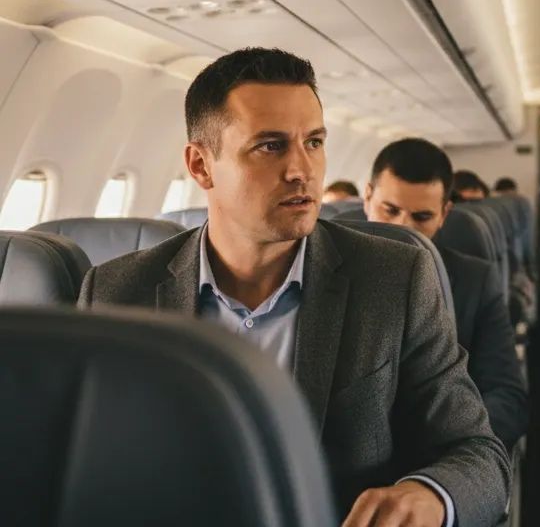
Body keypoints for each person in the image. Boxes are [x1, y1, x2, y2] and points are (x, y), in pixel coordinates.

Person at [78, 48, 509, 527]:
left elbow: (479, 455)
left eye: (315, 142)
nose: (302, 170)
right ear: (201, 166)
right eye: (270, 146)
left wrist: (428, 495)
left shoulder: (393, 279)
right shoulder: (116, 292)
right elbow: (88, 470)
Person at [364, 138, 528, 452]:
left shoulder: (474, 281)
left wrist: (453, 455)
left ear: (444, 213)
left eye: (421, 217)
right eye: (391, 210)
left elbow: (506, 395)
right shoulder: (320, 271)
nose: (404, 228)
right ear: (368, 198)